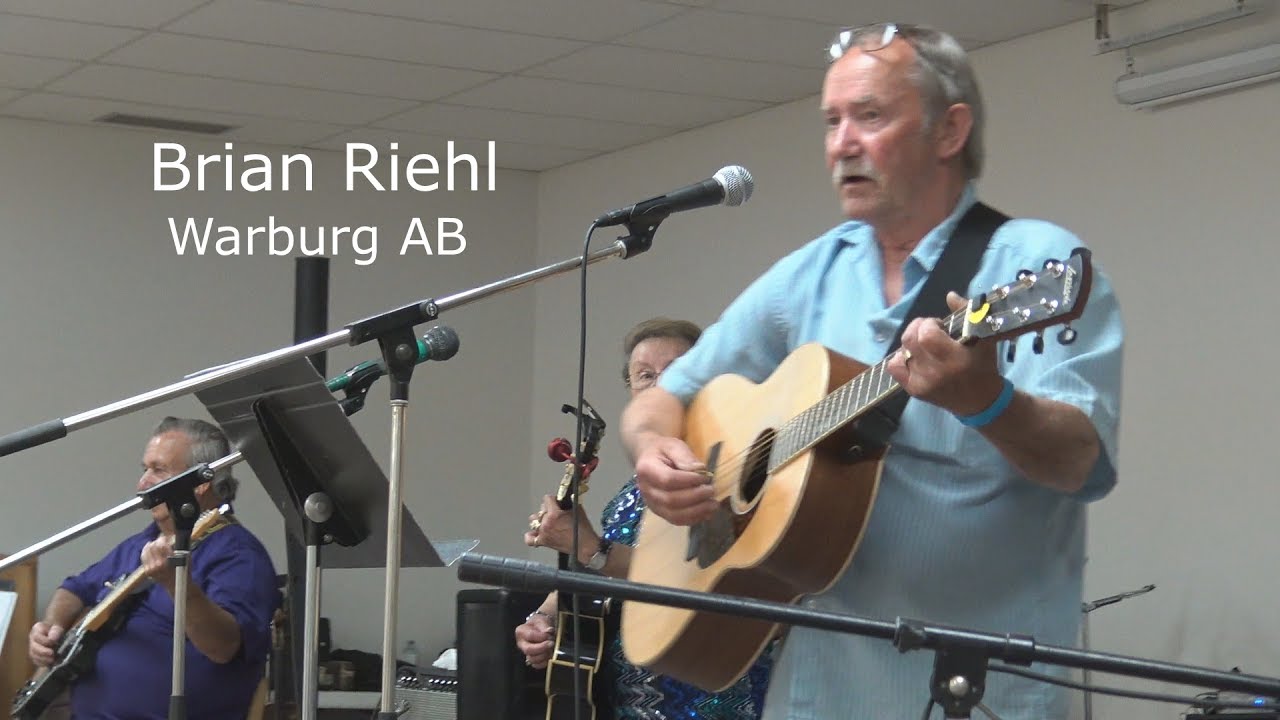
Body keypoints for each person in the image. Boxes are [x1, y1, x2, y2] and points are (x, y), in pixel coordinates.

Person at [620, 23, 1123, 720]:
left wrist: (987, 401)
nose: (841, 143)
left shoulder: (1031, 265)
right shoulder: (809, 276)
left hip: (976, 697)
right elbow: (659, 401)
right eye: (832, 121)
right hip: (813, 694)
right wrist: (654, 453)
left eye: (871, 116)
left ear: (949, 132)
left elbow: (1081, 464)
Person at [515, 318, 773, 719]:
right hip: (631, 699)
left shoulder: (735, 468)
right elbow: (601, 578)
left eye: (677, 370)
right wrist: (544, 618)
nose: (659, 384)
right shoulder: (630, 492)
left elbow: (694, 579)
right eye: (645, 375)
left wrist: (591, 547)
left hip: (713, 691)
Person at [28, 417, 280, 720]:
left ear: (200, 482)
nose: (143, 484)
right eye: (144, 469)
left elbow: (223, 647)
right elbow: (75, 588)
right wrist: (51, 629)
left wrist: (176, 584)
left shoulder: (239, 555)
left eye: (158, 470)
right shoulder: (142, 543)